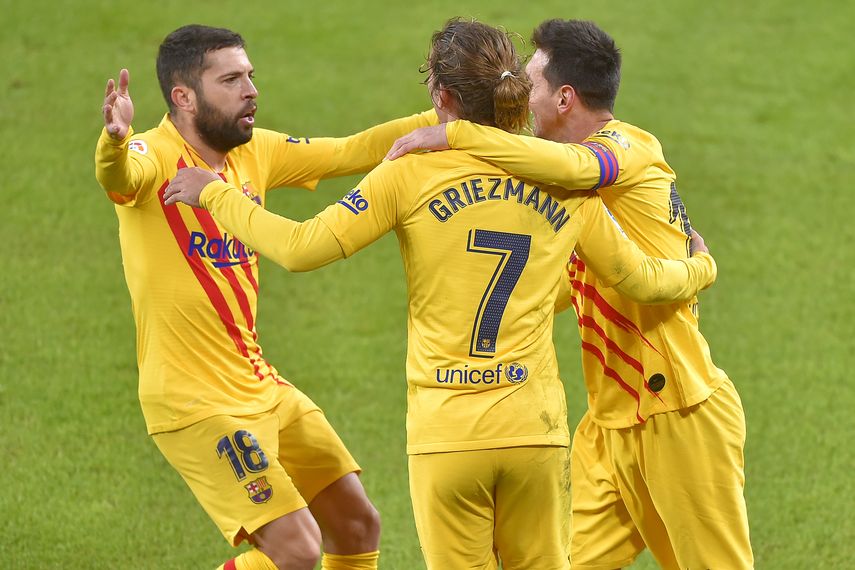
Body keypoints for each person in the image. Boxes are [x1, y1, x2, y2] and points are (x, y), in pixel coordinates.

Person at [162, 18, 718, 570]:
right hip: (534, 433)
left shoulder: (407, 173)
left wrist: (216, 195)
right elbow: (640, 279)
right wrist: (698, 267)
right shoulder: (565, 180)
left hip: (447, 436)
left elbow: (302, 247)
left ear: (441, 95)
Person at [386, 18, 753, 570]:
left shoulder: (624, 151)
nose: (517, 97)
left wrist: (461, 133)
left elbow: (577, 168)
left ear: (564, 97)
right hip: (607, 426)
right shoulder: (571, 190)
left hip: (678, 413)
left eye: (528, 84)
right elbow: (558, 281)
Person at [95, 24, 439, 570]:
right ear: (184, 97)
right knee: (297, 552)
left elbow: (350, 152)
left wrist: (450, 118)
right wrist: (112, 140)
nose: (251, 89)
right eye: (231, 79)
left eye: (250, 75)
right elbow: (119, 175)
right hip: (194, 401)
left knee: (356, 525)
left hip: (258, 383)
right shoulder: (152, 154)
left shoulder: (254, 153)